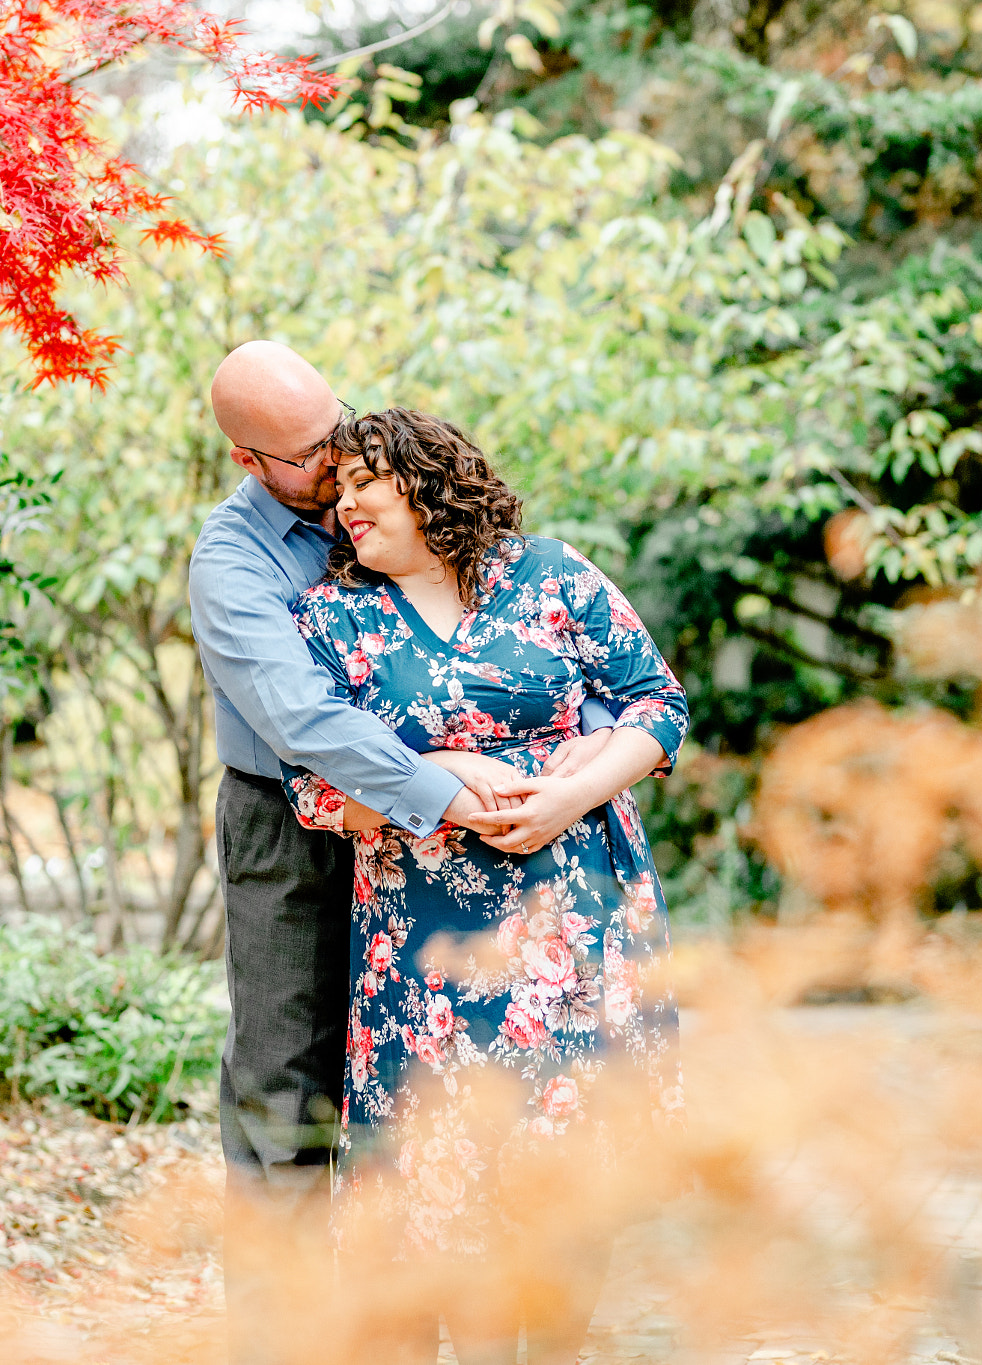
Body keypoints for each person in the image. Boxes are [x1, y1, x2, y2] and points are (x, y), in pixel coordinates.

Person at [188, 342, 618, 1365]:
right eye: (308, 453)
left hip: (455, 843)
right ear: (252, 462)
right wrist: (447, 793)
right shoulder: (233, 561)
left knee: (444, 1071)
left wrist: (566, 769)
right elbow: (302, 717)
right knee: (288, 1083)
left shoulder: (388, 490)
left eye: (337, 428)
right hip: (295, 829)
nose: (337, 463)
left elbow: (527, 636)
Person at [282, 408, 688, 1365]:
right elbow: (311, 786)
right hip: (423, 947)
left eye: (361, 483)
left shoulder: (549, 574)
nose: (343, 508)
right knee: (443, 1181)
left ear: (424, 481)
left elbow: (658, 704)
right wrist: (449, 787)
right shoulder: (331, 618)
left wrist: (568, 796)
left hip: (573, 914)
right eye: (333, 490)